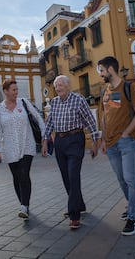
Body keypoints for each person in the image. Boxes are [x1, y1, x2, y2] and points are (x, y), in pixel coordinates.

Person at [41, 75, 99, 230]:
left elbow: (90, 121)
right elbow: (50, 123)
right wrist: (45, 141)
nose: (58, 88)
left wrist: (95, 142)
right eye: (56, 86)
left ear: (68, 86)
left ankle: (74, 215)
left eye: (60, 85)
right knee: (66, 177)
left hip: (75, 139)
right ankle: (78, 205)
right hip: (60, 141)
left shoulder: (79, 100)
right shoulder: (54, 102)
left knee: (73, 175)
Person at [97, 56, 135, 236]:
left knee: (131, 178)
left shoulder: (128, 87)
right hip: (110, 144)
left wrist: (126, 133)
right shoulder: (106, 91)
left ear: (110, 69)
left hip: (126, 142)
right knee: (122, 179)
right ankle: (134, 205)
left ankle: (134, 218)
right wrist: (103, 139)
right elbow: (105, 116)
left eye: (101, 70)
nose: (101, 74)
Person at [0, 79, 45, 221]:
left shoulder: (24, 102)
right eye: (13, 90)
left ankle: (24, 205)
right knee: (16, 177)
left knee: (23, 173)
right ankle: (23, 204)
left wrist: (45, 136)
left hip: (27, 144)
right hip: (9, 148)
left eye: (17, 90)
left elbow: (37, 117)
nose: (16, 92)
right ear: (6, 91)